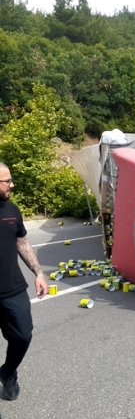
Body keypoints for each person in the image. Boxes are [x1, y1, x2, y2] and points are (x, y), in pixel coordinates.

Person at [0, 162, 48, 401]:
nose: (12, 184)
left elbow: (22, 243)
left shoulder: (12, 210)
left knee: (22, 336)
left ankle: (8, 372)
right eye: (7, 181)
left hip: (12, 288)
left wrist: (38, 273)